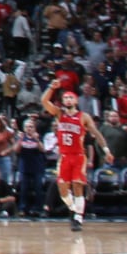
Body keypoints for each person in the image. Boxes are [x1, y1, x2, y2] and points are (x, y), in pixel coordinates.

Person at [42, 78, 113, 233]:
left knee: (77, 186)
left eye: (70, 97)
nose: (68, 100)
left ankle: (78, 218)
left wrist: (106, 150)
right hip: (64, 157)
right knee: (62, 188)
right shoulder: (59, 114)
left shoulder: (83, 116)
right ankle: (73, 209)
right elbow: (44, 101)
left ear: (76, 100)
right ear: (62, 100)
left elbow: (97, 134)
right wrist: (51, 87)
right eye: (65, 97)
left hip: (78, 156)